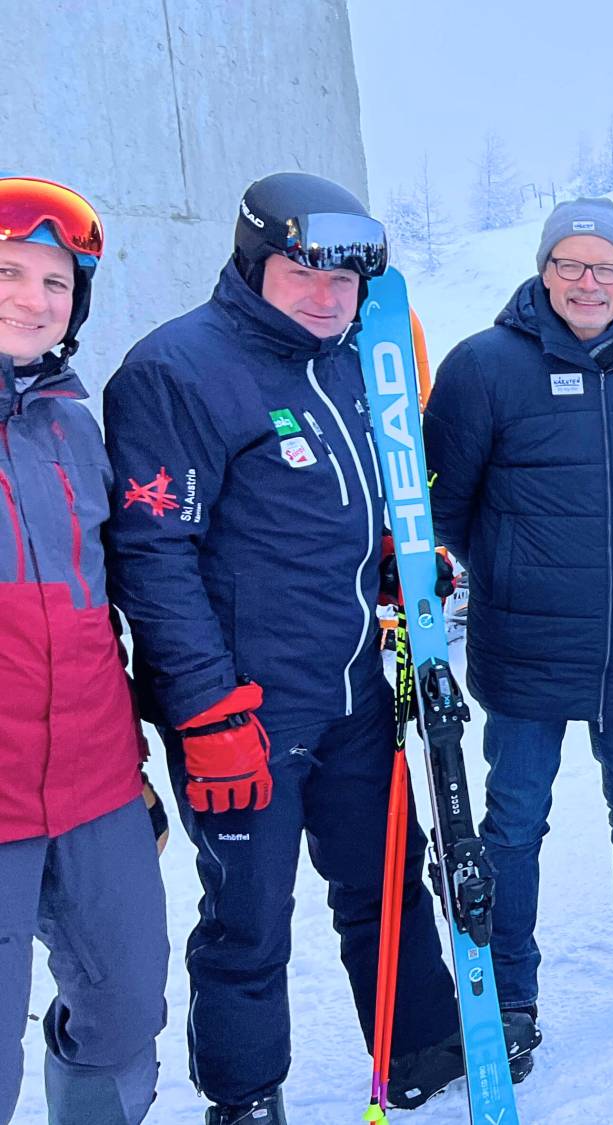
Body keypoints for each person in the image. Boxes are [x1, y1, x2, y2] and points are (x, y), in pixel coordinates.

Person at [102, 172, 484, 1123]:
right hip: (248, 712)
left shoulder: (358, 363)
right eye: (301, 271)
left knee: (386, 881)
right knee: (247, 921)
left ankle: (421, 1046)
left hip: (358, 691)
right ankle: (243, 1093)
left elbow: (363, 510)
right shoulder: (175, 371)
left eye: (344, 281)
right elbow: (153, 557)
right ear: (252, 259)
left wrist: (402, 561)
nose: (325, 295)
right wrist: (204, 711)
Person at [422, 199, 613, 1051]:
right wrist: (438, 569)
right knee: (514, 820)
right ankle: (510, 989)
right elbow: (445, 506)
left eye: (607, 268)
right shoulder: (483, 365)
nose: (590, 283)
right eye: (572, 265)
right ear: (545, 269)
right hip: (524, 642)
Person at [0, 176, 167, 1125]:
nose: (34, 298)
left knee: (125, 1001)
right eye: (8, 273)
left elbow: (94, 610)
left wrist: (133, 770)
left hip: (96, 782)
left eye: (56, 282)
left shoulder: (73, 422)